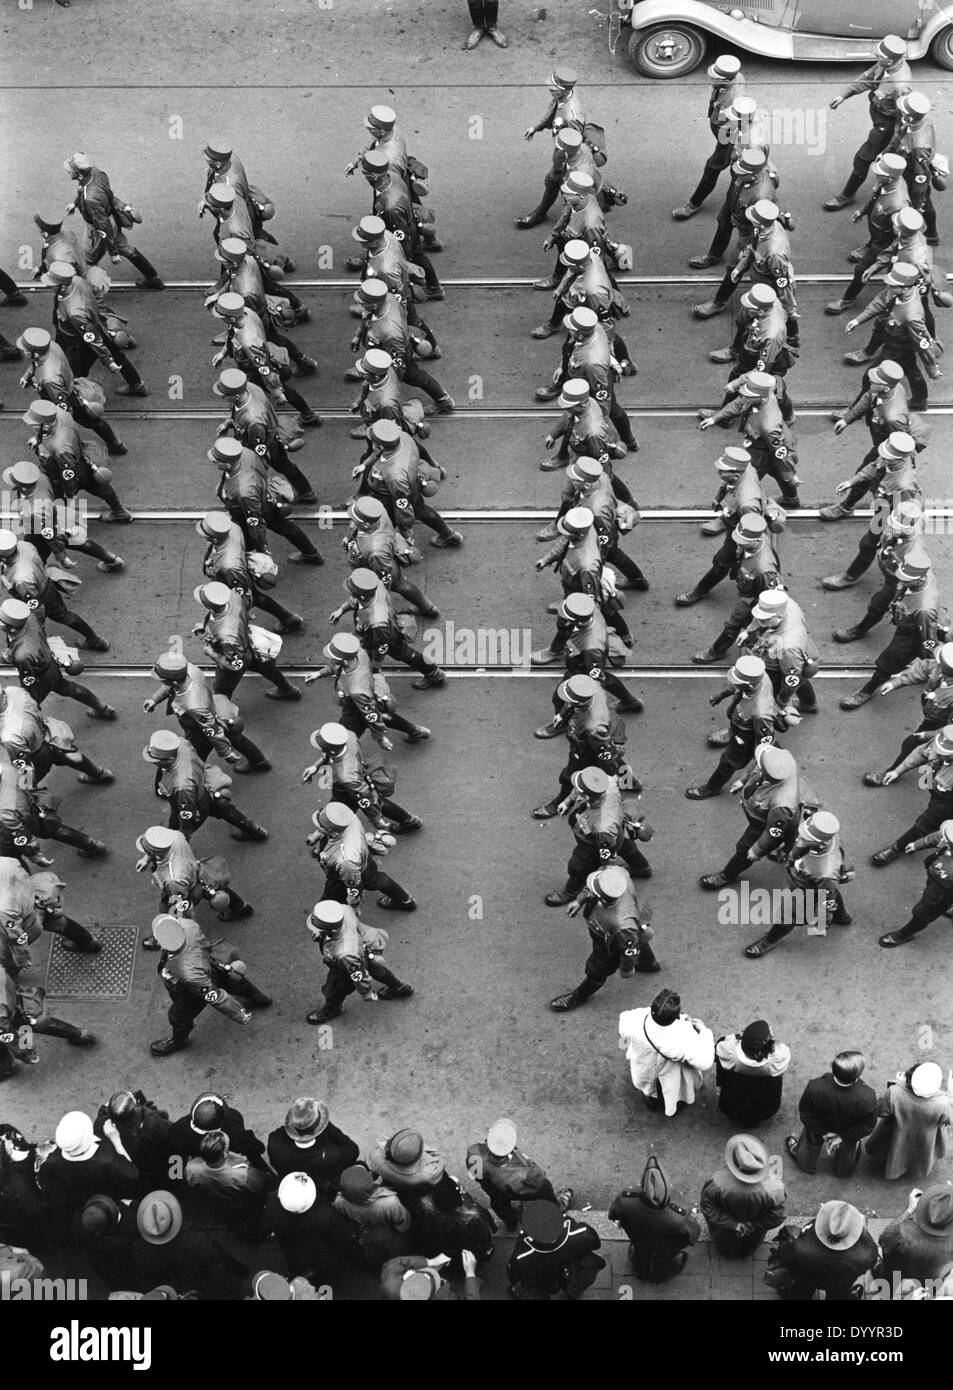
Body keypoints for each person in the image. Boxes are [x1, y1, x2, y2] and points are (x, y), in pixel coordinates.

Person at [824, 35, 912, 210]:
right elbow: (867, 78)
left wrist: (888, 149)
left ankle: (846, 196)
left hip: (886, 125)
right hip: (879, 116)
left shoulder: (901, 85)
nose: (876, 57)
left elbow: (901, 124)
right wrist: (844, 95)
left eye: (879, 56)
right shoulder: (886, 64)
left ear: (888, 60)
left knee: (863, 159)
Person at [131, 1190, 249, 1299]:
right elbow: (219, 1268)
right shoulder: (198, 1238)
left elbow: (147, 1283)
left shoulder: (138, 1249)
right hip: (205, 1286)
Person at [618, 989, 715, 1117]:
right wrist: (704, 1031)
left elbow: (624, 1023)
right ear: (676, 1016)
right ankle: (675, 1105)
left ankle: (651, 1101)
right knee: (674, 1089)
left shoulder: (636, 1018)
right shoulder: (683, 1035)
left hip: (645, 1062)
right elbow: (705, 1062)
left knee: (648, 1084)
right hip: (670, 1070)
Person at [608, 1155, 700, 1284]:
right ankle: (659, 1277)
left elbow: (613, 1215)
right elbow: (693, 1235)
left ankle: (640, 1271)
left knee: (640, 1256)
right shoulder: (679, 1217)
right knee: (664, 1264)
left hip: (638, 1242)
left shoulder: (626, 1199)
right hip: (664, 1249)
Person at [787, 1051, 878, 1177]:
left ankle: (805, 1164)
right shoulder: (867, 1097)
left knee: (809, 1143)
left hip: (819, 1126)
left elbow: (806, 1114)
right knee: (848, 1150)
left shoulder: (815, 1086)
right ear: (856, 1077)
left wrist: (824, 1132)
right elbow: (867, 1126)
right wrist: (842, 1136)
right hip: (848, 1130)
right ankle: (843, 1171)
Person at [465, 1119, 565, 1230]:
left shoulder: (474, 1152)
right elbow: (540, 1182)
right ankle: (556, 1208)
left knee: (499, 1205)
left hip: (494, 1190)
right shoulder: (526, 1173)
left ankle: (512, 1224)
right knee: (546, 1192)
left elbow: (477, 1176)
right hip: (517, 1189)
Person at [769, 1201, 880, 1301]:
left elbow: (787, 1254)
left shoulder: (802, 1246)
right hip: (839, 1282)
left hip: (808, 1276)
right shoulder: (865, 1253)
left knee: (801, 1292)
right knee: (837, 1296)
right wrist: (863, 1231)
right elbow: (871, 1263)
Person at [700, 1135, 786, 1257]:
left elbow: (708, 1207)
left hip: (724, 1230)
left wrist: (734, 1224)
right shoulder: (775, 1189)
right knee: (749, 1245)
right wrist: (754, 1225)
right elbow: (777, 1216)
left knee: (723, 1243)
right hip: (754, 1233)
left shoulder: (717, 1183)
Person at [35, 1112, 139, 1212]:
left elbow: (45, 1184)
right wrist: (115, 1138)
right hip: (104, 1203)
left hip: (78, 1208)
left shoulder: (51, 1162)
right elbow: (132, 1174)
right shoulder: (107, 1158)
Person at [866, 1062, 953, 1181]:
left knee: (895, 1149)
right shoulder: (943, 1103)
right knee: (920, 1154)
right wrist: (950, 1095)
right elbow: (948, 1121)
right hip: (926, 1138)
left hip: (896, 1132)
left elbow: (882, 1112)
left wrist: (898, 1084)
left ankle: (893, 1167)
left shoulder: (894, 1091)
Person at [506, 1199, 603, 1300]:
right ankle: (573, 1293)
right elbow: (595, 1243)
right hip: (572, 1273)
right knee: (574, 1285)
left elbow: (513, 1271)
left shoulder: (524, 1256)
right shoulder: (581, 1234)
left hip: (547, 1282)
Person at [266, 1098, 359, 1199]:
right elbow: (353, 1149)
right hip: (319, 1192)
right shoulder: (331, 1155)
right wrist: (324, 1124)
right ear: (318, 1126)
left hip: (290, 1187)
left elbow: (281, 1132)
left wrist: (298, 1123)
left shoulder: (274, 1142)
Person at [715, 1019, 791, 1125]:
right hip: (764, 1105)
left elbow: (720, 1047)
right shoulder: (777, 1061)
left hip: (733, 1101)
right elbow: (783, 1050)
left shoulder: (729, 1053)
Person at [332, 1163, 412, 1264]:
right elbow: (403, 1221)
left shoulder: (339, 1201)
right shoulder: (390, 1201)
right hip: (388, 1235)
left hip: (365, 1235)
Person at [880, 1184, 953, 1285]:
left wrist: (909, 1210)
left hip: (902, 1269)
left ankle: (887, 1291)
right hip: (932, 1276)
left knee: (890, 1281)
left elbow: (884, 1241)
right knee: (931, 1287)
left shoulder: (901, 1232)